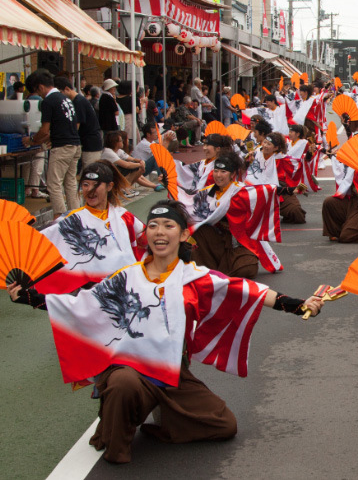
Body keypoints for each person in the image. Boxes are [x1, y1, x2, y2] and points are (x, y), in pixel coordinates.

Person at [6, 199, 324, 464]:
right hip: (128, 369)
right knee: (123, 385)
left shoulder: (194, 277)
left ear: (184, 235)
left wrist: (299, 305)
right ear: (146, 234)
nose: (160, 232)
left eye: (169, 226)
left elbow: (247, 290)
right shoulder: (125, 277)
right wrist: (32, 298)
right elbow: (83, 305)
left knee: (224, 425)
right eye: (154, 226)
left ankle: (162, 420)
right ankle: (117, 428)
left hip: (171, 372)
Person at [37, 161, 146, 293]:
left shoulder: (124, 217)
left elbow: (149, 241)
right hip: (90, 293)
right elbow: (39, 242)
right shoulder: (71, 220)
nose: (89, 190)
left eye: (96, 185)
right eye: (85, 185)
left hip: (127, 288)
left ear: (109, 186)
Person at [189, 153, 261, 278]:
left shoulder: (241, 191)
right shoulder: (207, 192)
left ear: (232, 174)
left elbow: (266, 192)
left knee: (247, 268)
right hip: (216, 239)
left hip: (238, 240)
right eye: (216, 171)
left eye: (223, 171)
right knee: (197, 231)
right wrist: (168, 183)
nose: (218, 175)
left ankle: (220, 274)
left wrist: (289, 190)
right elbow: (188, 205)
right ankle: (207, 272)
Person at [22, 69, 81, 217]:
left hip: (62, 147)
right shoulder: (65, 99)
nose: (39, 95)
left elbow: (45, 130)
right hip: (75, 144)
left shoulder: (48, 101)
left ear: (40, 87)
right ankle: (76, 214)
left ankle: (60, 216)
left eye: (38, 92)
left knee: (53, 184)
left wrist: (31, 140)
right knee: (70, 183)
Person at [54, 77, 104, 167]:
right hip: (89, 142)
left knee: (90, 173)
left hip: (90, 143)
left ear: (67, 89)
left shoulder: (79, 102)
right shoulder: (78, 100)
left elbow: (76, 126)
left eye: (60, 93)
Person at [101, 131, 160, 196]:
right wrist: (141, 164)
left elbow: (132, 159)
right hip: (108, 176)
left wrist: (140, 161)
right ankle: (124, 189)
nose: (125, 141)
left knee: (135, 167)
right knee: (152, 159)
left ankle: (126, 188)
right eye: (121, 140)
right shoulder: (108, 152)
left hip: (116, 173)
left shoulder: (118, 150)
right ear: (115, 143)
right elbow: (126, 165)